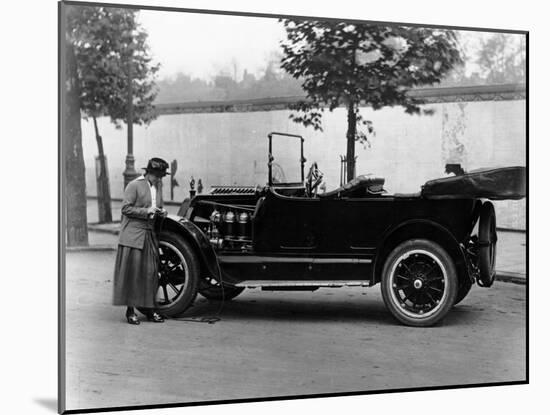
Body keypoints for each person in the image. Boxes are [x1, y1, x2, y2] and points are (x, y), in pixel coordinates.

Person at [112, 157, 169, 325]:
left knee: (150, 274)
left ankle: (150, 310)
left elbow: (157, 206)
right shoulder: (134, 185)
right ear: (149, 173)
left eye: (161, 177)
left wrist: (161, 211)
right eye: (157, 176)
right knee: (134, 274)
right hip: (133, 235)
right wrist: (146, 211)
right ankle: (130, 311)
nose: (159, 179)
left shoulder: (157, 186)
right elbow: (125, 208)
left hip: (149, 234)